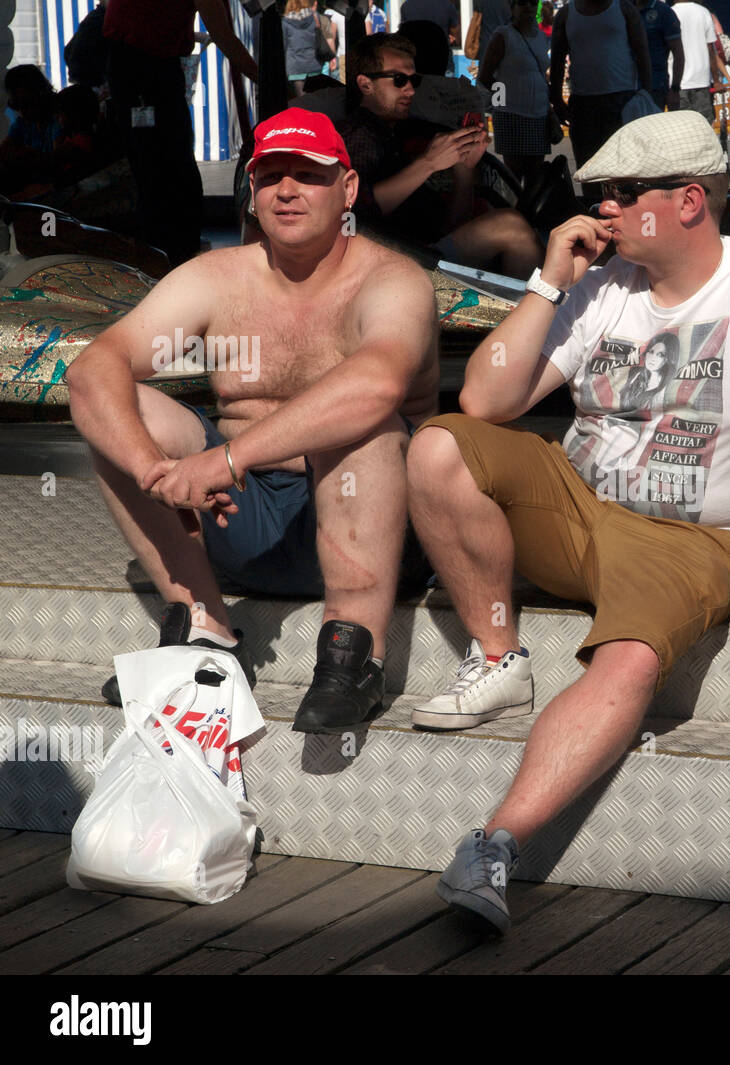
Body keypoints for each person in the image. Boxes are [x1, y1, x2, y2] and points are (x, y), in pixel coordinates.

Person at [404, 111, 730, 932]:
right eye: (599, 193)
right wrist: (546, 284)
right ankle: (499, 657)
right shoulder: (600, 286)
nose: (601, 210)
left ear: (692, 201)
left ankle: (495, 845)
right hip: (578, 499)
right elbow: (487, 403)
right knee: (438, 447)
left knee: (630, 660)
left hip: (693, 536)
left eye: (622, 194)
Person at [65, 107, 439, 734]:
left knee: (366, 427)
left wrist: (226, 458)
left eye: (308, 175)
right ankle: (206, 628)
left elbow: (377, 385)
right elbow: (97, 365)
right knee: (122, 410)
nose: (287, 190)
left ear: (347, 189)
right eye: (270, 176)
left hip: (377, 526)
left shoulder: (394, 279)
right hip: (241, 519)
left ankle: (354, 655)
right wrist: (153, 470)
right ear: (253, 190)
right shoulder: (216, 277)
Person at [339, 33, 543, 277]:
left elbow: (452, 227)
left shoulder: (397, 132)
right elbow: (354, 207)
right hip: (392, 266)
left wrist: (464, 169)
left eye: (414, 80)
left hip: (423, 253)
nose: (411, 90)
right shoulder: (359, 133)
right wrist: (428, 163)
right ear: (365, 84)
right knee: (512, 227)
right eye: (399, 80)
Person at [100, 0, 256, 266]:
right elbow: (222, 35)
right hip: (147, 69)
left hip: (132, 65)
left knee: (154, 161)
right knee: (169, 162)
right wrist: (264, 77)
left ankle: (165, 247)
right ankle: (175, 249)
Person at [549, 0, 652, 192]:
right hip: (583, 104)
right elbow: (557, 59)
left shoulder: (623, 8)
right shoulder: (565, 14)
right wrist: (557, 100)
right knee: (589, 171)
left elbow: (643, 52)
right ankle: (594, 215)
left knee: (625, 171)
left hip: (622, 101)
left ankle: (624, 215)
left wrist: (645, 94)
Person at [478, 0, 552, 186]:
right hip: (511, 117)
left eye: (532, 3)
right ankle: (512, 215)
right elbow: (485, 77)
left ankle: (531, 216)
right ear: (512, 9)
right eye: (522, 3)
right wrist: (501, 106)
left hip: (538, 116)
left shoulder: (541, 38)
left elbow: (542, 75)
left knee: (535, 179)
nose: (528, 7)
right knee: (513, 178)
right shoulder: (503, 36)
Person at [670, 1, 726, 151]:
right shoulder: (703, 12)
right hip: (701, 80)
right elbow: (711, 50)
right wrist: (717, 80)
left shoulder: (670, 12)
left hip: (677, 81)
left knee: (681, 130)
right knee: (705, 128)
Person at [637, 0, 683, 111]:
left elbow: (678, 53)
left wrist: (675, 89)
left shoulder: (663, 12)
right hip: (625, 87)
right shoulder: (623, 8)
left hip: (655, 87)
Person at [284, 0, 332, 94]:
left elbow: (284, 45)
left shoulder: (285, 22)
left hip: (295, 68)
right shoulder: (316, 18)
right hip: (314, 64)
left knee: (301, 100)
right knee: (315, 99)